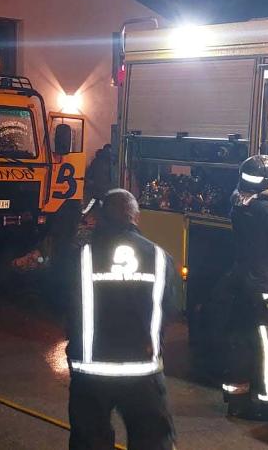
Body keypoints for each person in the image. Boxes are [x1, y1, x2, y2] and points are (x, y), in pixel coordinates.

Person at [64, 189, 179, 450]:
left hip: (91, 372)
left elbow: (62, 302)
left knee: (89, 441)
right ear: (135, 217)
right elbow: (170, 307)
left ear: (103, 217)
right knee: (152, 440)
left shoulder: (81, 257)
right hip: (143, 372)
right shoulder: (160, 258)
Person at [213, 154, 268, 419]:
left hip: (240, 281)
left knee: (240, 340)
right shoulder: (267, 209)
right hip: (262, 284)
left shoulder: (236, 201)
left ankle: (237, 400)